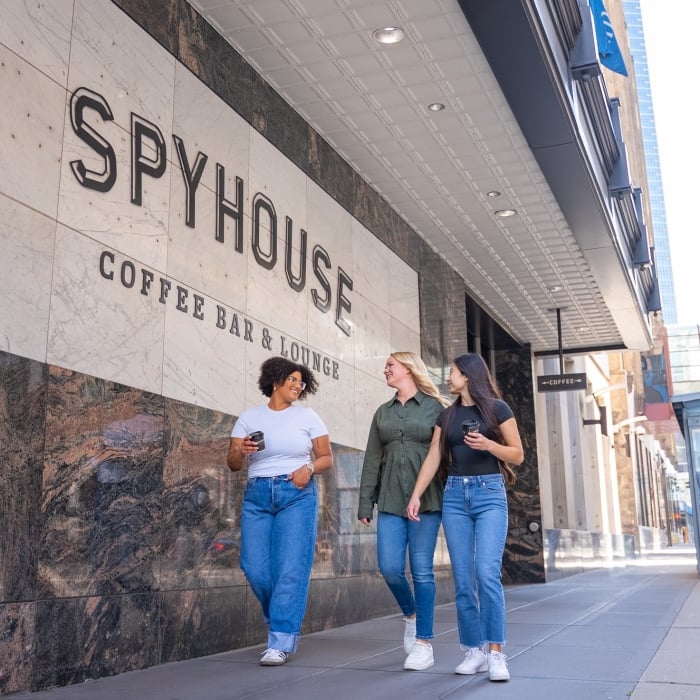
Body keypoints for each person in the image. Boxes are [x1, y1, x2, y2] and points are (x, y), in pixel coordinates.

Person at [407, 352, 524, 682]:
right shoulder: (447, 416)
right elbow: (433, 457)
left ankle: (496, 654)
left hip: (489, 494)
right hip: (455, 496)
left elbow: (517, 454)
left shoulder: (498, 409)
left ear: (469, 376)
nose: (449, 377)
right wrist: (416, 495)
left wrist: (488, 445)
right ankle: (473, 650)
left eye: (454, 372)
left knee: (486, 573)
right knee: (462, 579)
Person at [227, 356, 333, 666]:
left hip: (296, 493)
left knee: (290, 568)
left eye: (301, 382)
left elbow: (326, 457)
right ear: (275, 381)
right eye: (292, 380)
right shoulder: (249, 417)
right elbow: (233, 464)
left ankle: (280, 639)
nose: (298, 386)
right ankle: (280, 618)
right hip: (257, 496)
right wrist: (239, 450)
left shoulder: (308, 417)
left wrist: (309, 467)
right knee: (254, 567)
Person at [358, 352, 449, 671]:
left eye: (390, 366)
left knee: (422, 570)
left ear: (408, 370)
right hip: (391, 500)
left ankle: (424, 642)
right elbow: (371, 461)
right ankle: (411, 614)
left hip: (427, 501)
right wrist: (364, 503)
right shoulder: (382, 413)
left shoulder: (435, 409)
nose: (385, 370)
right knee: (389, 567)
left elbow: (446, 454)